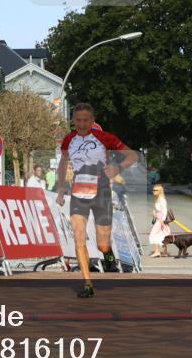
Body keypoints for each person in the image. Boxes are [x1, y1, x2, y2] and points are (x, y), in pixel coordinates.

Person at [56, 103, 138, 298]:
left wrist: (117, 168)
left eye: (86, 120)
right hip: (79, 193)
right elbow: (62, 163)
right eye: (78, 120)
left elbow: (132, 155)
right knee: (78, 237)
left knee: (102, 244)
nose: (82, 124)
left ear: (92, 121)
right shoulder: (69, 140)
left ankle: (108, 254)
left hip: (101, 194)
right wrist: (61, 188)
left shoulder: (104, 138)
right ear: (73, 121)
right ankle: (87, 284)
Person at [148, 184, 173, 258]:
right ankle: (162, 252)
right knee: (162, 234)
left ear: (160, 191)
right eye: (153, 190)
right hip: (158, 219)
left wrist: (162, 221)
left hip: (160, 220)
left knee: (153, 234)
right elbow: (159, 210)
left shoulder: (162, 199)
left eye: (155, 190)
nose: (153, 191)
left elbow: (164, 211)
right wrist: (155, 214)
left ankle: (157, 251)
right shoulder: (158, 198)